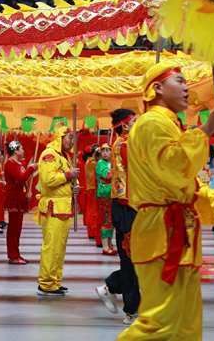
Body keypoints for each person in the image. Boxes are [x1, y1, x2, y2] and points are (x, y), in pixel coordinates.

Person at [115, 63, 214, 341]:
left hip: (180, 232)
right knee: (161, 324)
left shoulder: (171, 125)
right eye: (180, 81)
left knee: (186, 325)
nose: (187, 88)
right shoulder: (150, 123)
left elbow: (188, 190)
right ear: (156, 88)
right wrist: (207, 128)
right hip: (161, 232)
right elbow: (175, 166)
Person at [96, 108, 140, 325]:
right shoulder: (124, 145)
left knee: (138, 258)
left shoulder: (129, 143)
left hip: (132, 206)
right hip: (125, 206)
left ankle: (112, 286)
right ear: (125, 125)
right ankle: (131, 310)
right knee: (131, 258)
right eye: (135, 121)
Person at [35, 126, 80, 296]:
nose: (72, 141)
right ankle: (46, 283)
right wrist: (69, 175)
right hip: (54, 207)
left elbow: (64, 182)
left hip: (64, 207)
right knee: (51, 245)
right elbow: (48, 179)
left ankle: (54, 280)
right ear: (60, 137)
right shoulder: (50, 155)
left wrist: (75, 188)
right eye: (69, 137)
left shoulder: (64, 157)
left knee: (59, 246)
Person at [4, 140, 38, 264]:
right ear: (15, 150)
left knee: (17, 229)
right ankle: (13, 255)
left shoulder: (18, 163)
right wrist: (30, 168)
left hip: (20, 196)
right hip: (14, 197)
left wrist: (28, 192)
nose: (23, 151)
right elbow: (20, 177)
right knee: (13, 228)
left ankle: (16, 254)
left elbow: (24, 180)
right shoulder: (10, 163)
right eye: (21, 148)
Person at [97, 143, 117, 255]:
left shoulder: (110, 163)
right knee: (106, 219)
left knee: (110, 220)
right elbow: (108, 175)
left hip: (111, 194)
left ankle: (110, 245)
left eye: (107, 150)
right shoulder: (101, 163)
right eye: (103, 150)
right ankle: (105, 247)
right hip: (105, 194)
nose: (105, 152)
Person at [84, 144, 102, 246]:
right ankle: (93, 231)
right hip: (93, 188)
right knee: (93, 211)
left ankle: (91, 232)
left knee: (90, 210)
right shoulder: (93, 162)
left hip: (90, 187)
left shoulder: (89, 161)